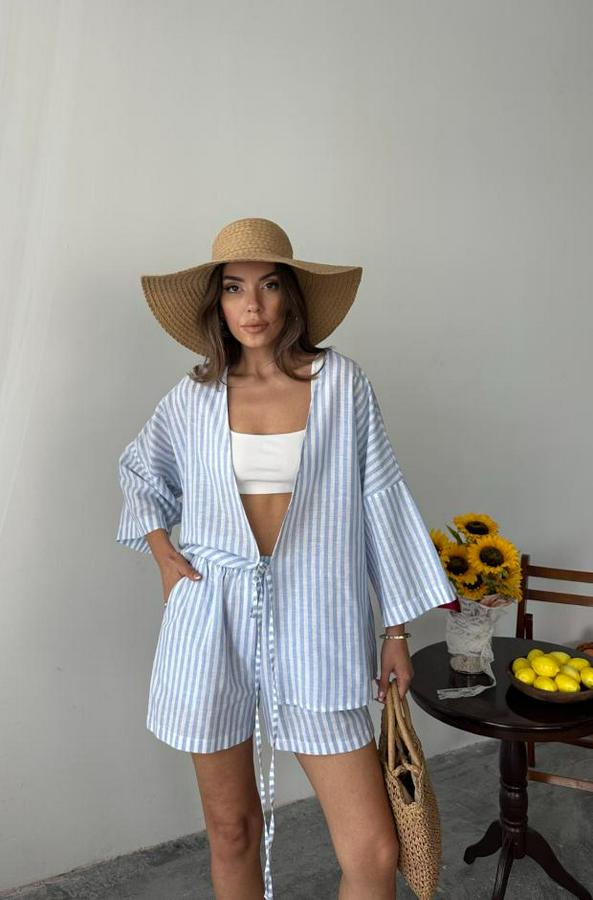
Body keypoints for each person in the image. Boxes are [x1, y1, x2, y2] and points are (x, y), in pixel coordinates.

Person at [116, 217, 457, 899]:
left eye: (269, 285)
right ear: (216, 303)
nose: (253, 305)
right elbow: (140, 472)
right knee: (230, 829)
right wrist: (163, 555)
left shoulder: (341, 385)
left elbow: (380, 501)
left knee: (373, 848)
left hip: (318, 618)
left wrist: (394, 631)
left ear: (291, 296)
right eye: (234, 288)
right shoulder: (193, 398)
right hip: (211, 619)